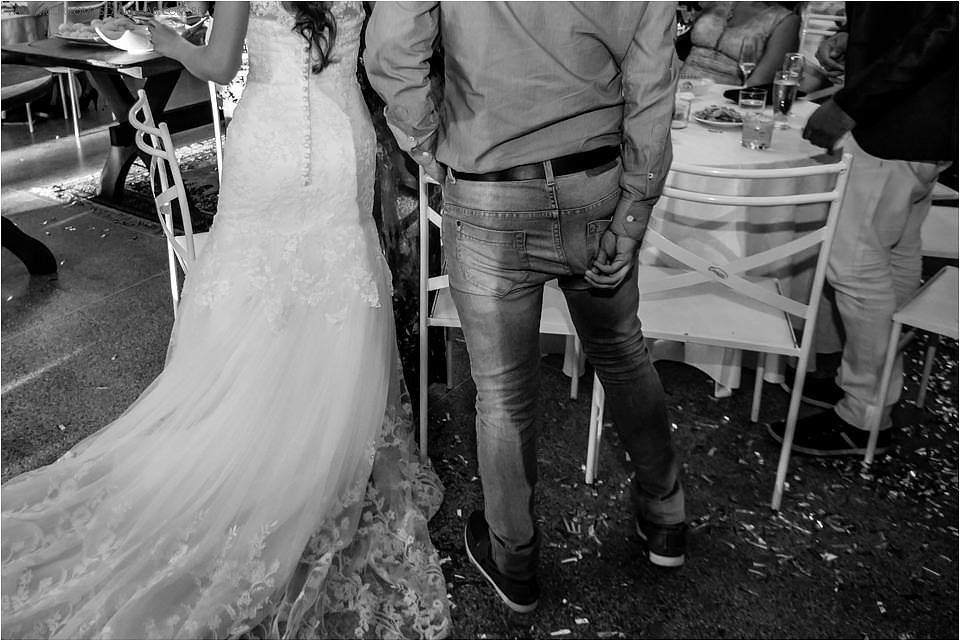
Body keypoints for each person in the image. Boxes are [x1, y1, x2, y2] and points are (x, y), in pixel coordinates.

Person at [0, 3, 451, 638]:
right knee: (339, 284)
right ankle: (321, 444)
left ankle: (263, 431)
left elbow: (215, 65)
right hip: (343, 140)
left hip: (268, 145)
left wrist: (165, 40)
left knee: (259, 294)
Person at [365, 1, 687, 615]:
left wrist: (429, 138)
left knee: (503, 393)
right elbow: (652, 83)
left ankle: (514, 560)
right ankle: (666, 512)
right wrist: (636, 206)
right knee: (621, 353)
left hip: (490, 192)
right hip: (595, 186)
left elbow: (389, 50)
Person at [768, 2, 957, 457]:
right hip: (925, 126)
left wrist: (851, 103)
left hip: (894, 123)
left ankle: (863, 413)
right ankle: (870, 394)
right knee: (894, 257)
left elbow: (939, 31)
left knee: (853, 268)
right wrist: (856, 35)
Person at [680, 1, 800, 86]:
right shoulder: (712, 3)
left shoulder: (785, 20)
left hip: (725, 99)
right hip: (679, 86)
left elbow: (758, 84)